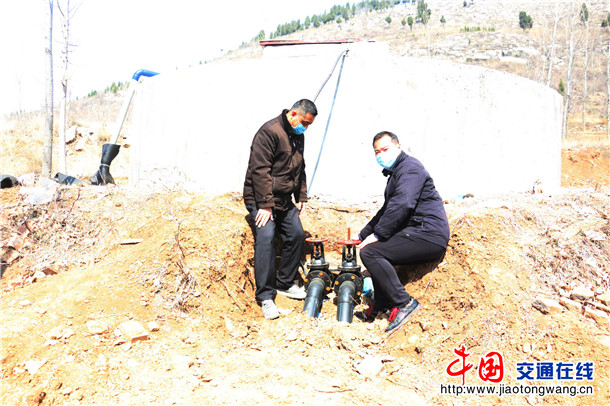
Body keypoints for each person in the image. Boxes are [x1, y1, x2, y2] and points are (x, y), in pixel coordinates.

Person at [356, 131, 450, 333]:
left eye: (385, 149)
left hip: (428, 233)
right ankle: (382, 304)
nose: (381, 154)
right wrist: (362, 235)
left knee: (371, 252)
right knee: (374, 248)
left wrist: (378, 235)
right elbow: (386, 210)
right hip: (417, 231)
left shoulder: (410, 169)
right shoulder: (397, 172)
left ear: (398, 146)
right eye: (377, 152)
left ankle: (404, 302)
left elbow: (403, 203)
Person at [244, 99, 318, 320]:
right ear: (293, 114)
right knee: (266, 237)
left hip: (284, 199)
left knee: (296, 234)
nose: (305, 128)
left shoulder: (297, 135)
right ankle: (265, 296)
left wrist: (301, 195)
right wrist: (265, 205)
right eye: (304, 122)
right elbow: (260, 170)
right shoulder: (269, 132)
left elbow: (300, 166)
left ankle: (284, 282)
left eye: (309, 125)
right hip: (260, 198)